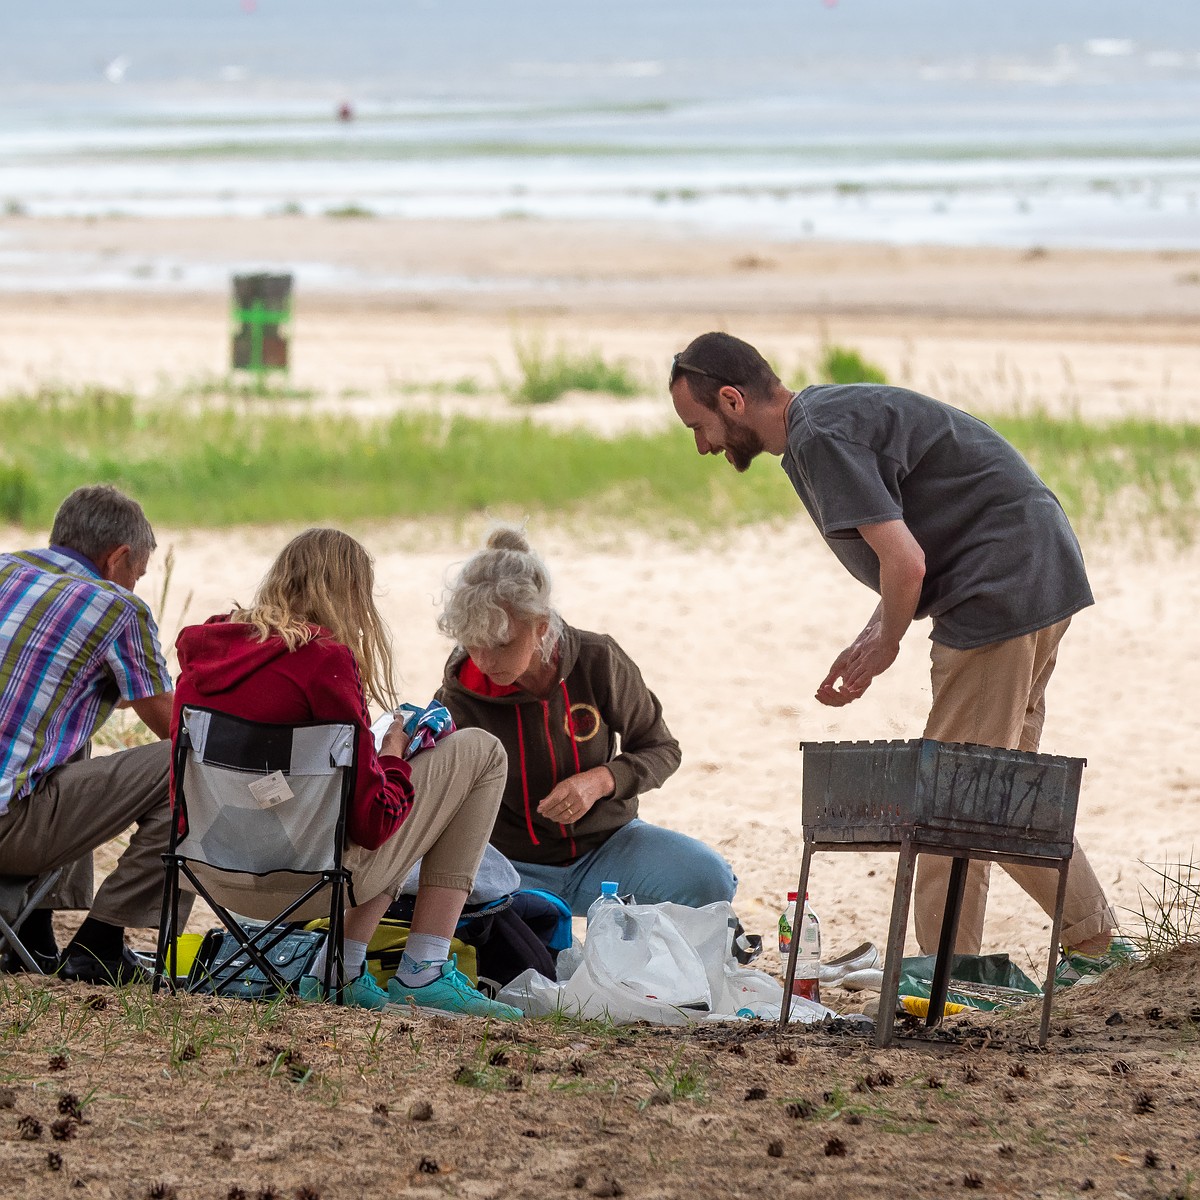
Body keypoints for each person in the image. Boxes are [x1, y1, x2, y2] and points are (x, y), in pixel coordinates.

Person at [668, 331, 1120, 963]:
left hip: (998, 589)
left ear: (733, 401)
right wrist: (875, 630)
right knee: (999, 788)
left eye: (700, 425)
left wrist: (887, 642)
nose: (703, 444)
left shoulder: (819, 436)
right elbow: (905, 559)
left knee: (951, 800)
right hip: (1038, 572)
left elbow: (906, 563)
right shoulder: (827, 417)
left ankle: (947, 976)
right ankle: (1097, 945)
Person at [171, 527, 520, 1017]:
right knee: (480, 752)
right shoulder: (325, 661)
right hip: (308, 883)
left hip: (207, 868)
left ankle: (342, 970)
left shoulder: (205, 649)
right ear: (349, 596)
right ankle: (423, 969)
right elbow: (372, 824)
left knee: (392, 788)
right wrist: (394, 756)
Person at [435, 524, 737, 916]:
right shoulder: (460, 693)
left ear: (541, 627)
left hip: (608, 849)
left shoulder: (598, 659)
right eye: (473, 641)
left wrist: (601, 781)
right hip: (511, 869)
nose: (485, 659)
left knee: (709, 880)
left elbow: (661, 748)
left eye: (501, 643)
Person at [0, 484, 189, 984]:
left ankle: (33, 932)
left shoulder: (6, 567)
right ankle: (100, 942)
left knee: (64, 732)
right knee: (192, 762)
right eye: (137, 575)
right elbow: (169, 723)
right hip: (5, 829)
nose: (135, 587)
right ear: (118, 558)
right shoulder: (115, 607)